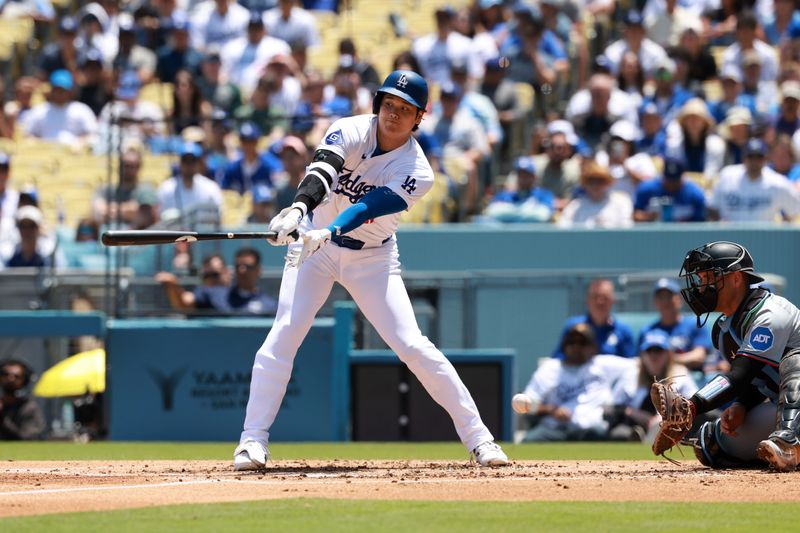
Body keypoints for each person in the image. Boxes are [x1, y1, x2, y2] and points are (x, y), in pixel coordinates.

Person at [234, 70, 509, 470]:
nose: (393, 114)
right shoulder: (347, 130)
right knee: (284, 335)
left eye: (405, 109)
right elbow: (320, 174)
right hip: (315, 248)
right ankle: (251, 442)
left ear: (419, 118)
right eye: (389, 104)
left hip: (372, 257)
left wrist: (327, 230)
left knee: (411, 344)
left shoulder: (419, 170)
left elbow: (370, 208)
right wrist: (297, 211)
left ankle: (479, 438)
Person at [653, 241, 800, 471]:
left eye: (709, 278)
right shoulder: (723, 332)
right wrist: (742, 404)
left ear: (736, 278)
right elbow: (756, 379)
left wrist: (691, 406)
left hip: (793, 408)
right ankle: (787, 451)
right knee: (712, 443)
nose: (702, 287)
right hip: (785, 407)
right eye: (700, 279)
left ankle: (790, 444)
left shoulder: (771, 312)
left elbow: (740, 375)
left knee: (797, 361)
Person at [514, 323, 634, 442]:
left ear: (593, 347)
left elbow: (638, 365)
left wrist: (618, 400)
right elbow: (528, 404)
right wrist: (551, 410)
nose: (576, 346)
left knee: (604, 435)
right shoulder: (550, 368)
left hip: (591, 431)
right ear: (564, 345)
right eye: (571, 342)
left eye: (582, 342)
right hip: (555, 429)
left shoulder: (602, 364)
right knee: (529, 440)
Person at [608, 329, 697, 442]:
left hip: (674, 428)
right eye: (649, 351)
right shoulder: (631, 375)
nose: (654, 356)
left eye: (659, 351)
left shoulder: (680, 374)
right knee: (619, 433)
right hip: (635, 426)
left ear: (668, 354)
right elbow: (614, 407)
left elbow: (694, 404)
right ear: (642, 355)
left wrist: (667, 418)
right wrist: (633, 413)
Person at [156, 249, 277, 315]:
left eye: (248, 266)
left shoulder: (270, 305)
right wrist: (173, 286)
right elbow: (184, 304)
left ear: (258, 270)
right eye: (238, 266)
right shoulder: (215, 294)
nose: (242, 271)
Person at [708, 138, 800, 222]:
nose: (754, 162)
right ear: (743, 158)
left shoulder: (777, 183)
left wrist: (782, 233)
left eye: (758, 157)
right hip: (730, 237)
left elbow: (794, 211)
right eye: (750, 157)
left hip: (764, 238)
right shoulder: (727, 176)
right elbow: (712, 208)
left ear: (765, 159)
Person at [551, 278, 636, 360]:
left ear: (613, 301)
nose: (600, 302)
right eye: (595, 297)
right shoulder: (573, 327)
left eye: (605, 298)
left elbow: (630, 364)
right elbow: (558, 359)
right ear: (587, 300)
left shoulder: (623, 331)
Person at [639, 278, 713, 372]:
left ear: (679, 299)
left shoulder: (695, 324)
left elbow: (699, 356)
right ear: (655, 302)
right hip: (658, 381)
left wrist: (666, 359)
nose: (665, 301)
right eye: (660, 297)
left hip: (691, 379)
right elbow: (640, 361)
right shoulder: (648, 331)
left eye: (669, 296)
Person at [557, 161, 634, 229]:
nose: (595, 185)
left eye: (600, 181)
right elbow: (562, 229)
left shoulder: (621, 201)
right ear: (585, 185)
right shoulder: (575, 206)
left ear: (608, 183)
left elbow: (626, 229)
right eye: (591, 181)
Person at [633, 157, 706, 223]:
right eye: (669, 181)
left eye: (675, 181)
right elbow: (635, 216)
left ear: (681, 178)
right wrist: (649, 217)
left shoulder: (695, 194)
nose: (671, 184)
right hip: (653, 235)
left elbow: (701, 223)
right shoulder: (647, 189)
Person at [0, 359, 45, 440]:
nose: (11, 379)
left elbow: (28, 438)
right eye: (6, 375)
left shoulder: (29, 408)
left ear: (24, 380)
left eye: (16, 376)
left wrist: (2, 420)